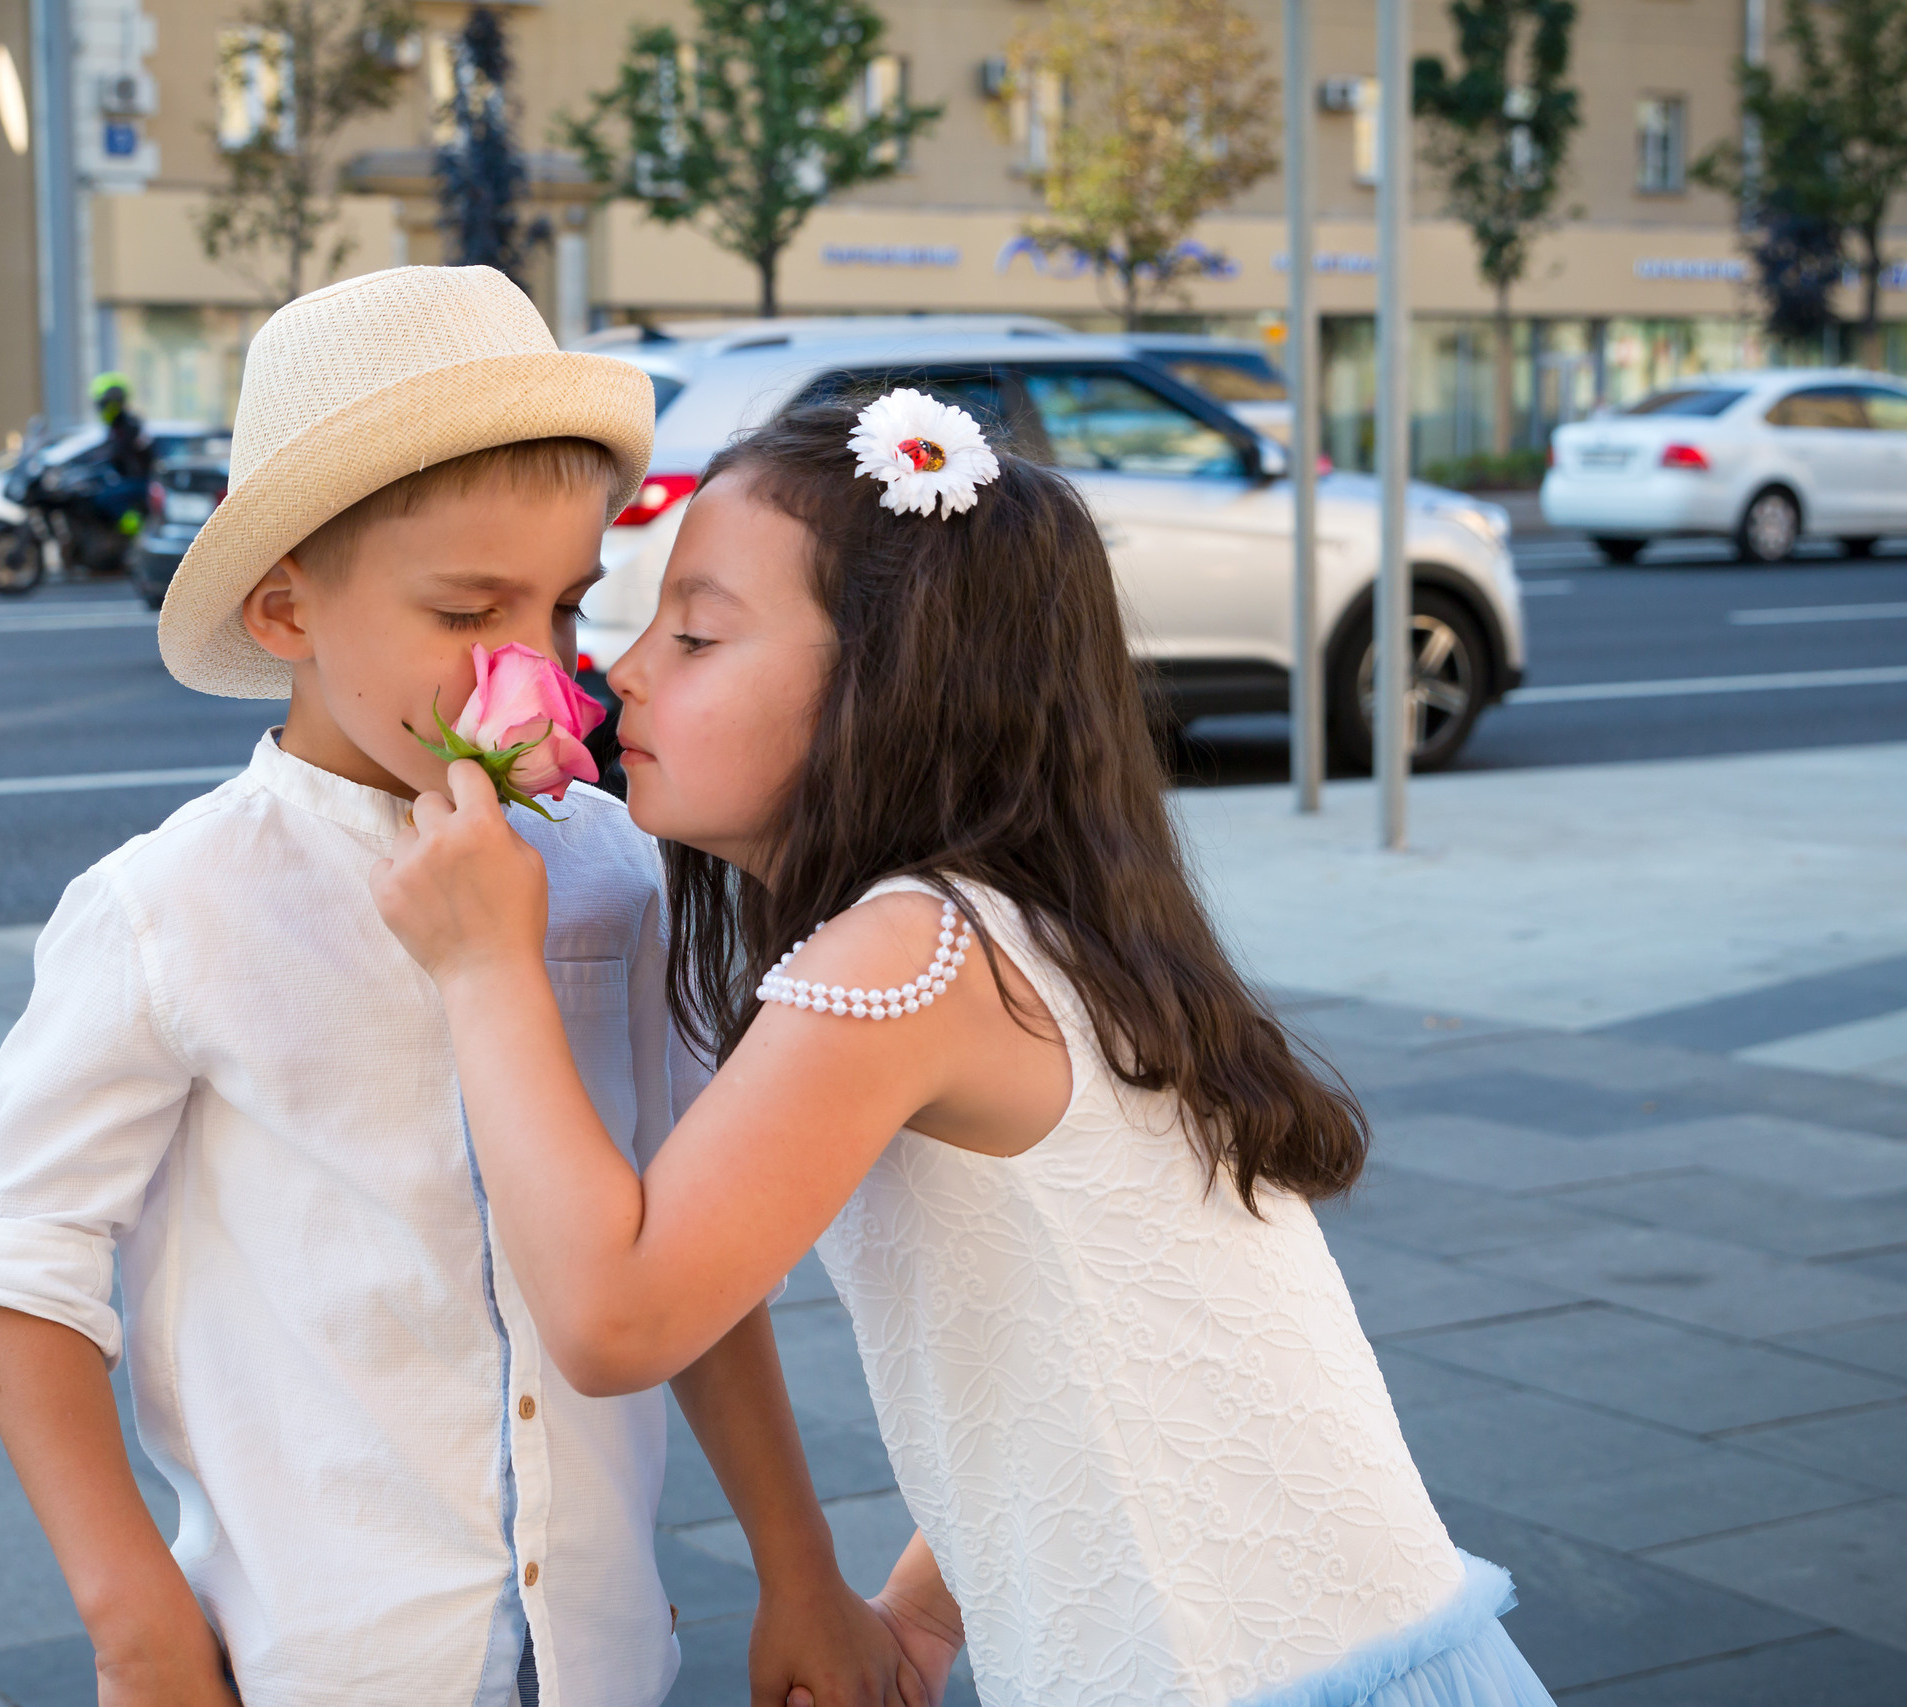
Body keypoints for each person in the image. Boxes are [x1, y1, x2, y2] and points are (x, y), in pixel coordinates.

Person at [372, 390, 1561, 1707]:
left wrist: (485, 965)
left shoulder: (911, 953)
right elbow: (1115, 1342)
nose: (624, 667)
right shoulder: (1036, 929)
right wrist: (931, 1609)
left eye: (697, 631)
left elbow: (616, 1316)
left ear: (892, 688)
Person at [0, 270, 918, 1707]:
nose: (534, 662)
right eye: (469, 607)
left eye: (566, 605)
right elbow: (19, 1259)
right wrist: (130, 1604)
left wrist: (794, 1558)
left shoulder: (608, 869)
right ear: (285, 609)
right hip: (320, 1650)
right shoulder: (173, 902)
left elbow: (682, 1250)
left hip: (597, 1647)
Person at [89, 371, 155, 533]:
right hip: (128, 480)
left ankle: (135, 534)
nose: (101, 410)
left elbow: (115, 452)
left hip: (141, 483)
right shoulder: (116, 427)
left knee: (105, 497)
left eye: (103, 404)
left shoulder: (130, 426)